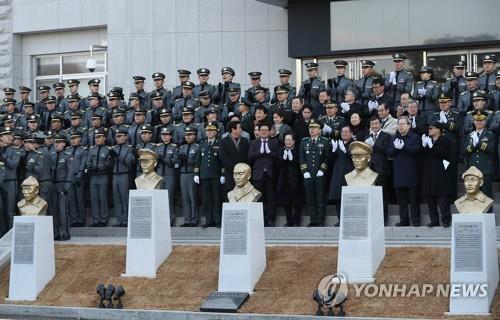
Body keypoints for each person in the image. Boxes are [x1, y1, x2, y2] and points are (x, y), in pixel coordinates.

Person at [387, 116, 421, 226]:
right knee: (402, 201)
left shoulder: (415, 137)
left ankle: (415, 220)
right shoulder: (395, 137)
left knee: (414, 200)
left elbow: (417, 150)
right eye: (399, 124)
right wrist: (396, 148)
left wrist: (404, 147)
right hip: (399, 174)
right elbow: (389, 152)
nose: (400, 126)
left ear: (409, 125)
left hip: (411, 173)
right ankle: (404, 220)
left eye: (402, 124)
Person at [247, 122, 280, 227]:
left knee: (271, 198)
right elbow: (249, 157)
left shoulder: (274, 142)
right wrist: (260, 152)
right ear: (259, 132)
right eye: (262, 130)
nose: (264, 132)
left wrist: (270, 153)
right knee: (258, 198)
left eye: (266, 130)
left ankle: (270, 219)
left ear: (270, 131)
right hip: (258, 175)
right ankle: (258, 219)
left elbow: (279, 158)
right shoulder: (254, 143)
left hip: (270, 174)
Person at [420, 122, 452, 227]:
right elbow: (422, 155)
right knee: (430, 199)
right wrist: (424, 146)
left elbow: (442, 153)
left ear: (438, 129)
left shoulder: (444, 140)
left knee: (442, 199)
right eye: (428, 128)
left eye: (431, 128)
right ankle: (434, 220)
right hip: (428, 173)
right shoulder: (428, 140)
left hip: (440, 173)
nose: (429, 130)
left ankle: (446, 220)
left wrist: (431, 146)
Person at [300, 120, 329, 227]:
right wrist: (304, 171)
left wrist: (322, 169)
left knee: (320, 198)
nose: (311, 130)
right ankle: (313, 220)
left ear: (319, 130)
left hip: (319, 174)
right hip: (308, 174)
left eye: (314, 128)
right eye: (310, 128)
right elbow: (302, 158)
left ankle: (320, 220)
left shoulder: (325, 141)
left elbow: (327, 157)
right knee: (310, 198)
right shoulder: (304, 141)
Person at [194, 122, 224, 228]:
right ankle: (208, 220)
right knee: (206, 199)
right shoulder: (202, 144)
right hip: (204, 175)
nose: (209, 132)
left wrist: (223, 174)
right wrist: (196, 173)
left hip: (216, 175)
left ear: (216, 132)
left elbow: (222, 161)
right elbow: (198, 160)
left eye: (211, 130)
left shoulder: (220, 143)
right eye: (207, 130)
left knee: (216, 199)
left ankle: (217, 221)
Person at [364, 116, 391, 223]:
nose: (374, 126)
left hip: (382, 169)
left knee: (382, 195)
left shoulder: (386, 136)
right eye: (372, 124)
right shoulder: (367, 136)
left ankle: (383, 218)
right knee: (371, 195)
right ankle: (372, 217)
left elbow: (386, 150)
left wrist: (374, 145)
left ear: (380, 124)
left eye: (376, 123)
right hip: (369, 169)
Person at [85, 127, 113, 227]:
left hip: (103, 176)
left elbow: (109, 163)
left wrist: (98, 167)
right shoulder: (92, 150)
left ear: (104, 138)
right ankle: (96, 220)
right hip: (93, 176)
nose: (97, 139)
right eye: (96, 137)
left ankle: (103, 219)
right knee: (94, 199)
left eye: (100, 137)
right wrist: (90, 167)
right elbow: (88, 162)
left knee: (102, 197)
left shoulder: (108, 149)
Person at [464, 110, 495, 198]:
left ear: (485, 121)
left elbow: (491, 149)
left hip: (486, 169)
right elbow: (465, 151)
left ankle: (488, 212)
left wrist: (479, 143)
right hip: (473, 170)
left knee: (486, 196)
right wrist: (473, 145)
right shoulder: (470, 135)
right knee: (473, 196)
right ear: (474, 122)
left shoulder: (490, 135)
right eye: (477, 120)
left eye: (481, 120)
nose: (479, 122)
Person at [328, 125, 354, 226]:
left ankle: (349, 220)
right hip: (338, 173)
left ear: (351, 133)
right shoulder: (339, 143)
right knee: (338, 198)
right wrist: (334, 150)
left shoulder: (354, 144)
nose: (344, 134)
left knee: (348, 199)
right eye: (343, 132)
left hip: (349, 173)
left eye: (346, 132)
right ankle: (340, 220)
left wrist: (345, 151)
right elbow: (331, 160)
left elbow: (356, 158)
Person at [110, 126, 136, 227]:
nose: (118, 138)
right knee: (117, 199)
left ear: (126, 137)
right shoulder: (114, 148)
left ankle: (127, 220)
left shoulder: (130, 148)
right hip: (115, 175)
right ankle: (119, 219)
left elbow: (130, 162)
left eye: (120, 136)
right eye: (116, 136)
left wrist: (118, 156)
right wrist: (111, 159)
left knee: (125, 198)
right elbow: (110, 165)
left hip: (125, 174)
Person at [277, 133, 304, 226]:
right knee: (286, 201)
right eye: (286, 140)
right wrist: (283, 158)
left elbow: (300, 162)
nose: (288, 142)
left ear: (294, 141)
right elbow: (278, 164)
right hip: (285, 180)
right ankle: (289, 220)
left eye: (289, 140)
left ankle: (297, 220)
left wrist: (292, 157)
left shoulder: (298, 150)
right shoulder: (281, 150)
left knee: (297, 201)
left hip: (297, 179)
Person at [218, 121, 250, 196]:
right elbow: (223, 158)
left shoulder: (245, 141)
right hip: (230, 173)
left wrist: (243, 168)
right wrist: (236, 168)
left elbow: (248, 156)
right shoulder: (223, 141)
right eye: (239, 128)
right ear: (233, 129)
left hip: (243, 174)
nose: (241, 130)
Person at [155, 127, 178, 226]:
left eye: (167, 135)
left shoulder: (174, 147)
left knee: (169, 198)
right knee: (159, 199)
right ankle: (160, 219)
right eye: (163, 135)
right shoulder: (157, 147)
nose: (164, 136)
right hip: (159, 174)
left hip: (170, 174)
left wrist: (163, 159)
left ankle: (170, 219)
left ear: (170, 136)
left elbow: (174, 161)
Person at [50, 134, 72, 240]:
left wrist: (67, 186)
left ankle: (65, 232)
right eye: (55, 142)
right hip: (54, 184)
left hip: (62, 184)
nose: (56, 145)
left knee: (63, 210)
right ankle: (56, 232)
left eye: (58, 143)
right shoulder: (53, 155)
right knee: (54, 210)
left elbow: (70, 171)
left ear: (63, 144)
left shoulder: (67, 155)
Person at [178, 126, 200, 226]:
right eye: (186, 135)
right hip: (183, 174)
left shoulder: (197, 147)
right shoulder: (182, 148)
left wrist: (188, 160)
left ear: (194, 136)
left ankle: (194, 219)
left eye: (190, 135)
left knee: (193, 197)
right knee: (185, 198)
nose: (188, 137)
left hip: (192, 174)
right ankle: (187, 219)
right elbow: (177, 162)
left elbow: (198, 162)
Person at [65, 130, 88, 227]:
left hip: (78, 176)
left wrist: (80, 175)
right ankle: (74, 219)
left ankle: (81, 219)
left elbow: (83, 163)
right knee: (71, 199)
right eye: (71, 138)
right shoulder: (67, 150)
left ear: (80, 139)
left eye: (75, 138)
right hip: (69, 177)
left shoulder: (83, 150)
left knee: (80, 199)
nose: (73, 140)